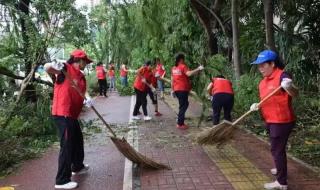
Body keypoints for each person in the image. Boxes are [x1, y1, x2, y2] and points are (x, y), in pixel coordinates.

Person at [44, 49, 93, 189]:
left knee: (78, 139)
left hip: (72, 115)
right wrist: (53, 65)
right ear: (79, 60)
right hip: (62, 113)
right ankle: (61, 180)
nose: (86, 64)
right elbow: (47, 68)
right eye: (85, 61)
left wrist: (87, 98)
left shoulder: (81, 76)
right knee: (67, 145)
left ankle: (77, 166)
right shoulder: (65, 68)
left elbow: (83, 91)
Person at [250, 50, 298, 190]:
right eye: (258, 66)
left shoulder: (282, 76)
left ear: (272, 63)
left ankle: (281, 183)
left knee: (277, 150)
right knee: (276, 148)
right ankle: (279, 168)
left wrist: (289, 87)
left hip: (282, 121)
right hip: (270, 120)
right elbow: (266, 99)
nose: (260, 69)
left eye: (263, 65)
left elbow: (295, 93)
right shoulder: (263, 82)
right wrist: (257, 105)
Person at [171, 53, 204, 130]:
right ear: (181, 59)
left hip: (177, 89)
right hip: (182, 89)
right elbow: (189, 74)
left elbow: (172, 80)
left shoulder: (174, 68)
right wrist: (198, 68)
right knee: (184, 105)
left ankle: (180, 120)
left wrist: (172, 90)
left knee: (183, 105)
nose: (184, 61)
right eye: (183, 59)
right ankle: (180, 123)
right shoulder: (183, 66)